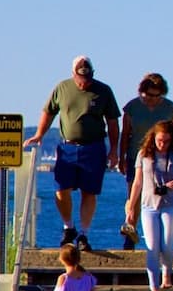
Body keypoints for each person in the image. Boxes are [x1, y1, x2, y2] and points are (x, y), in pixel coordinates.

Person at [24, 56, 122, 249]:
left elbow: (112, 122)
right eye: (81, 79)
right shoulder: (62, 88)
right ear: (73, 74)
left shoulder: (103, 91)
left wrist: (114, 151)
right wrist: (39, 135)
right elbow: (49, 111)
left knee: (89, 192)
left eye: (88, 78)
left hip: (93, 147)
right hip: (67, 147)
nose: (84, 83)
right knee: (61, 189)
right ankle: (69, 227)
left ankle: (84, 234)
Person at [125, 120, 173, 291]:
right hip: (148, 206)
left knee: (167, 245)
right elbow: (137, 182)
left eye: (166, 141)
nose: (162, 144)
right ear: (153, 138)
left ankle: (167, 272)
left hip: (171, 204)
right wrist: (130, 205)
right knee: (152, 248)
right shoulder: (143, 155)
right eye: (160, 140)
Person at [119, 73, 173, 250]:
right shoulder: (132, 107)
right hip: (135, 156)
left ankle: (159, 238)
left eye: (157, 95)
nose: (153, 99)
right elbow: (125, 134)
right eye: (149, 95)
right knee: (133, 195)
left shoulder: (170, 109)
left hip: (160, 159)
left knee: (160, 195)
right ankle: (130, 229)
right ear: (142, 92)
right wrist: (121, 157)